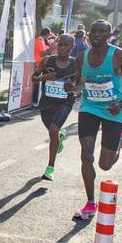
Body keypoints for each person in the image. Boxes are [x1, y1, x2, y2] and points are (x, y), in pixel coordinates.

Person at [73, 20, 122, 221]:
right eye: (93, 31)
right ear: (88, 34)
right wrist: (72, 88)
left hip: (113, 110)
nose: (96, 35)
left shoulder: (120, 56)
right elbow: (79, 83)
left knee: (105, 165)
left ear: (109, 35)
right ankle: (90, 203)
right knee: (86, 155)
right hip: (89, 108)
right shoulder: (81, 57)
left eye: (102, 32)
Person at [32, 32, 82, 181]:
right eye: (60, 44)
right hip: (46, 103)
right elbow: (34, 78)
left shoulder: (76, 64)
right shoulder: (47, 60)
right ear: (56, 45)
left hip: (65, 103)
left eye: (66, 45)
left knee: (53, 130)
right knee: (53, 132)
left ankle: (50, 168)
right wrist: (44, 77)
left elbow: (81, 88)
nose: (62, 48)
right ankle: (60, 137)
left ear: (72, 47)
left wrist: (72, 88)